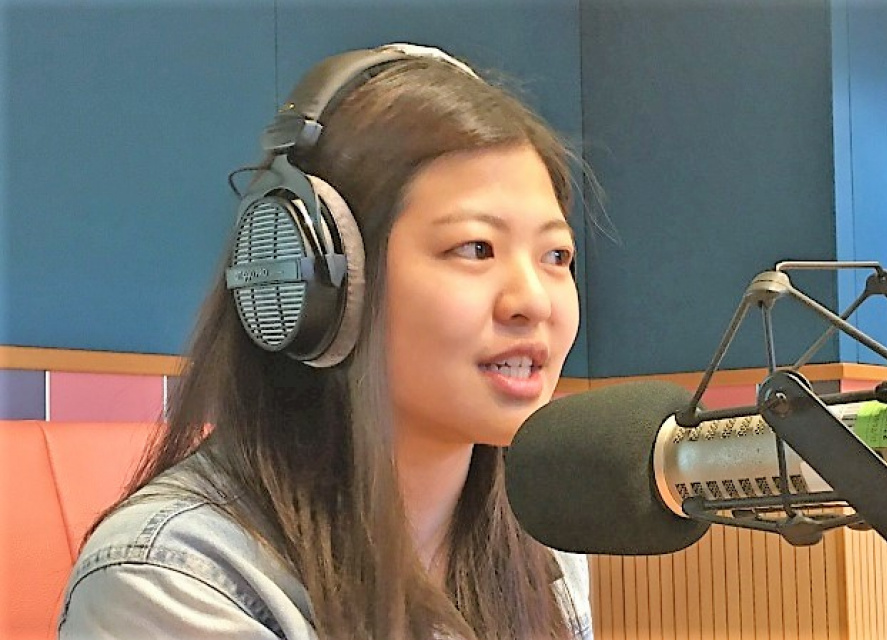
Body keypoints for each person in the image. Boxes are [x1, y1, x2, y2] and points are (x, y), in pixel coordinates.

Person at [57, 43, 591, 639]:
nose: (534, 301)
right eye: (475, 248)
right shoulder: (168, 581)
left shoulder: (542, 545)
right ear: (321, 280)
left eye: (555, 256)